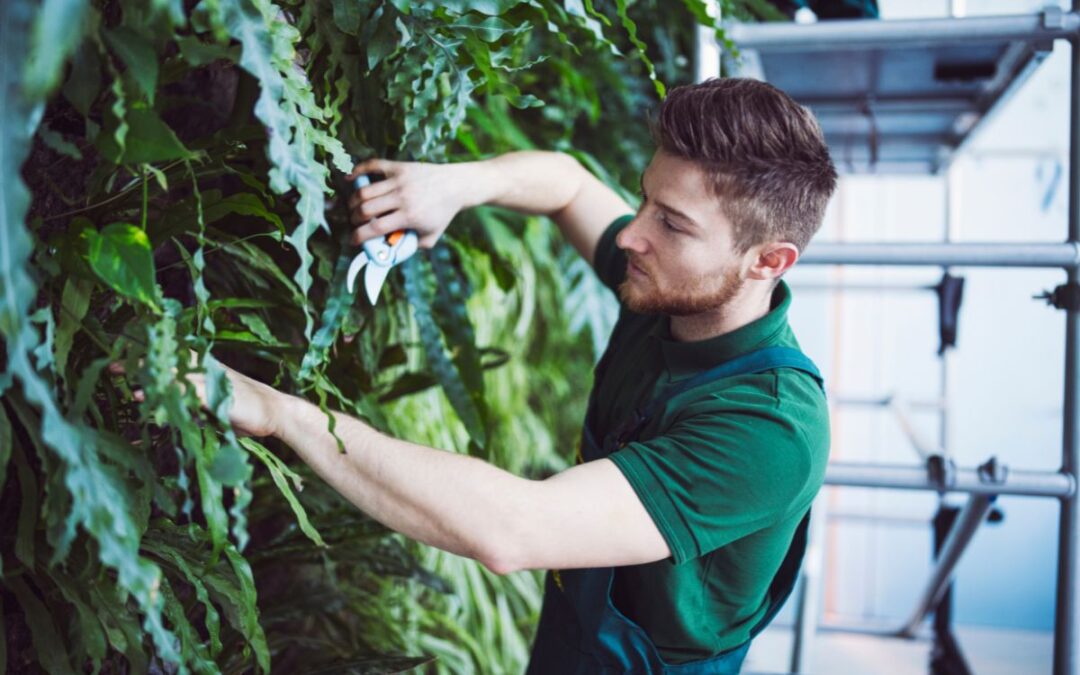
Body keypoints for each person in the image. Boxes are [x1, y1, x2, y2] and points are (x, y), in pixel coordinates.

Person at [145, 77, 837, 673]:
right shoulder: (672, 289)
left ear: (767, 262)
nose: (631, 234)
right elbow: (567, 183)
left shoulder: (769, 430)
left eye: (672, 223)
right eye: (644, 200)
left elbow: (512, 528)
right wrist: (453, 185)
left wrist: (279, 412)